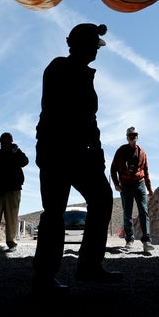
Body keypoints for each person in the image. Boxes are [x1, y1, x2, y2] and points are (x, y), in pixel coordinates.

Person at [32, 22, 122, 294]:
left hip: (76, 152)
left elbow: (89, 120)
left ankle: (89, 266)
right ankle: (46, 278)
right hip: (59, 151)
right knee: (54, 212)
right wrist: (91, 149)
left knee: (102, 198)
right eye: (94, 45)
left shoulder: (81, 73)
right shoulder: (61, 68)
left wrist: (95, 150)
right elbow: (73, 116)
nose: (97, 50)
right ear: (80, 44)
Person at [110, 126, 154, 252]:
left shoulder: (142, 152)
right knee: (127, 213)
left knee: (143, 211)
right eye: (130, 135)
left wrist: (149, 189)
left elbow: (146, 171)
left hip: (139, 184)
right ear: (127, 137)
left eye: (134, 135)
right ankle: (129, 240)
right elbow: (113, 169)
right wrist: (116, 184)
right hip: (126, 185)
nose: (133, 137)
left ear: (137, 136)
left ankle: (146, 241)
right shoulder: (121, 151)